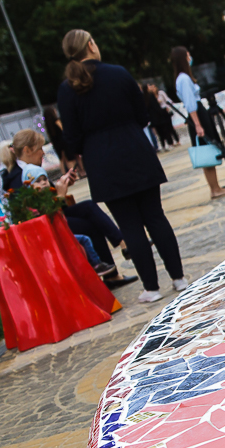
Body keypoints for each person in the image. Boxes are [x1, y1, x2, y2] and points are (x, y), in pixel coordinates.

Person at [57, 30, 188, 304]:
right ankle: (178, 278)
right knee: (155, 216)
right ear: (90, 45)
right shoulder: (118, 73)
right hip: (135, 149)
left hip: (101, 161)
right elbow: (142, 116)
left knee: (129, 225)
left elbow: (72, 138)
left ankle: (151, 288)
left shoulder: (67, 89)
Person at [0, 129, 134, 286]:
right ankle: (113, 270)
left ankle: (122, 247)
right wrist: (60, 194)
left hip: (53, 216)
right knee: (89, 224)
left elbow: (50, 201)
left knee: (88, 207)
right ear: (27, 150)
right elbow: (40, 212)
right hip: (45, 226)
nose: (43, 152)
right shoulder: (19, 177)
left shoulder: (26, 170)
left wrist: (62, 186)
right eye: (40, 148)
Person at [21, 163, 117, 277]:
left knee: (89, 214)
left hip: (58, 230)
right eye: (38, 181)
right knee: (85, 238)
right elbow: (49, 217)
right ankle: (96, 264)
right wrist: (60, 196)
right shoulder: (33, 202)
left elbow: (59, 213)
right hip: (51, 235)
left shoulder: (48, 195)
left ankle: (109, 257)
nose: (43, 183)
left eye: (45, 179)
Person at [171, 46, 225, 199]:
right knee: (207, 150)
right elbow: (190, 103)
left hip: (198, 114)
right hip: (197, 114)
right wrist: (198, 124)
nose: (190, 58)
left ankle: (215, 187)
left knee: (208, 150)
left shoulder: (182, 78)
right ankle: (215, 188)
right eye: (188, 55)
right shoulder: (184, 79)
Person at [43, 106, 83, 177]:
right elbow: (63, 129)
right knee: (70, 159)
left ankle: (64, 174)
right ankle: (75, 174)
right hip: (64, 142)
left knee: (62, 160)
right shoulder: (57, 121)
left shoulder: (47, 124)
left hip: (56, 143)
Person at [145, 84, 177, 151]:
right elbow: (156, 106)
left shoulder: (146, 97)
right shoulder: (151, 96)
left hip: (154, 118)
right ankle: (169, 143)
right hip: (159, 116)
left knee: (160, 133)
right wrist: (162, 111)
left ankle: (163, 145)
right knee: (165, 130)